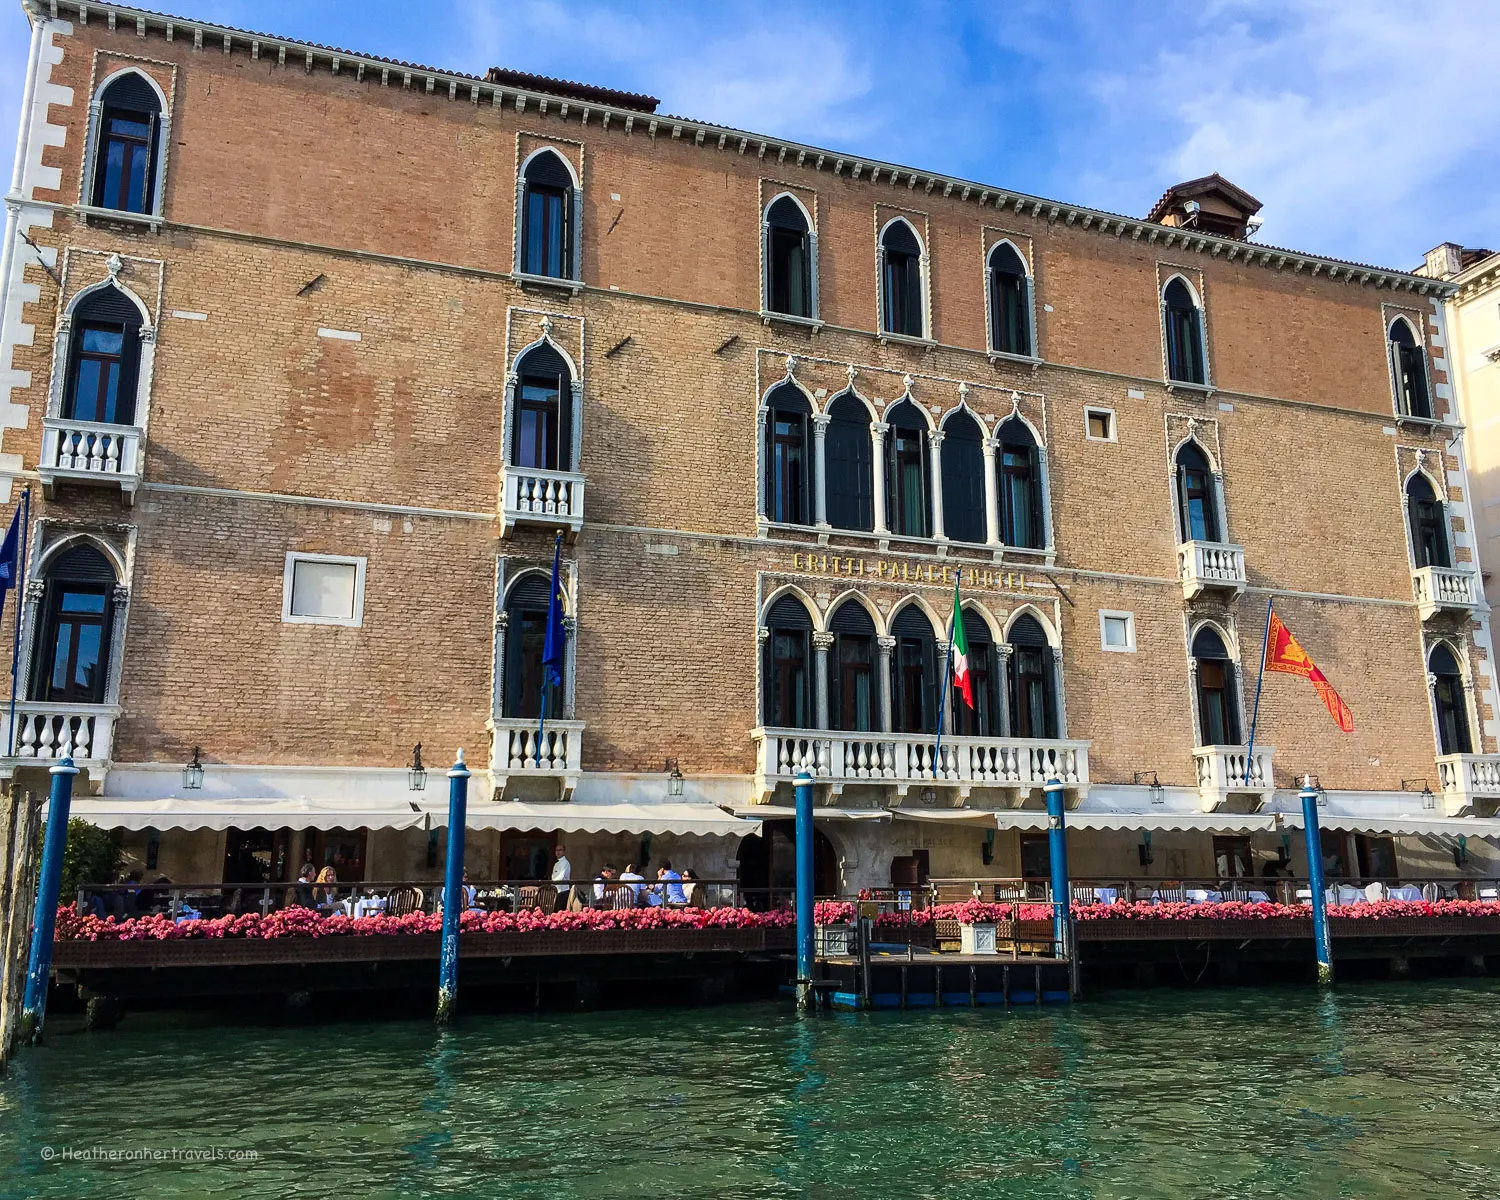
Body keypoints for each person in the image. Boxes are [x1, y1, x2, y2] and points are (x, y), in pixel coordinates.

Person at [551, 844, 572, 911]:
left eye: (560, 850)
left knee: (560, 912)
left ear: (564, 851)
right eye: (556, 850)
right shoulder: (556, 864)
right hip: (556, 891)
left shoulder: (565, 863)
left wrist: (552, 883)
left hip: (563, 891)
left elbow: (561, 877)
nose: (558, 852)